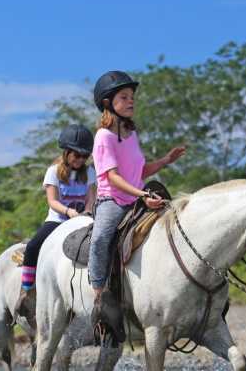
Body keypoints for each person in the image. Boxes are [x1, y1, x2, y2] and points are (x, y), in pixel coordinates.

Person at [87, 70, 186, 324]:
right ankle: (97, 294)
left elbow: (138, 171)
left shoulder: (131, 135)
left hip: (137, 198)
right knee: (100, 239)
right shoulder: (103, 136)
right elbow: (114, 178)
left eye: (132, 97)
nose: (131, 101)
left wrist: (166, 160)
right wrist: (143, 194)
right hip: (113, 201)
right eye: (124, 97)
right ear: (109, 103)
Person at [15, 124, 97, 320]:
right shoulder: (53, 171)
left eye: (84, 157)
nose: (80, 160)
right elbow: (52, 201)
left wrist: (86, 211)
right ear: (66, 153)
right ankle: (26, 291)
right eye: (76, 155)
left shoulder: (90, 173)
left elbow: (91, 197)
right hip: (57, 219)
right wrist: (69, 212)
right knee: (34, 246)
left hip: (82, 218)